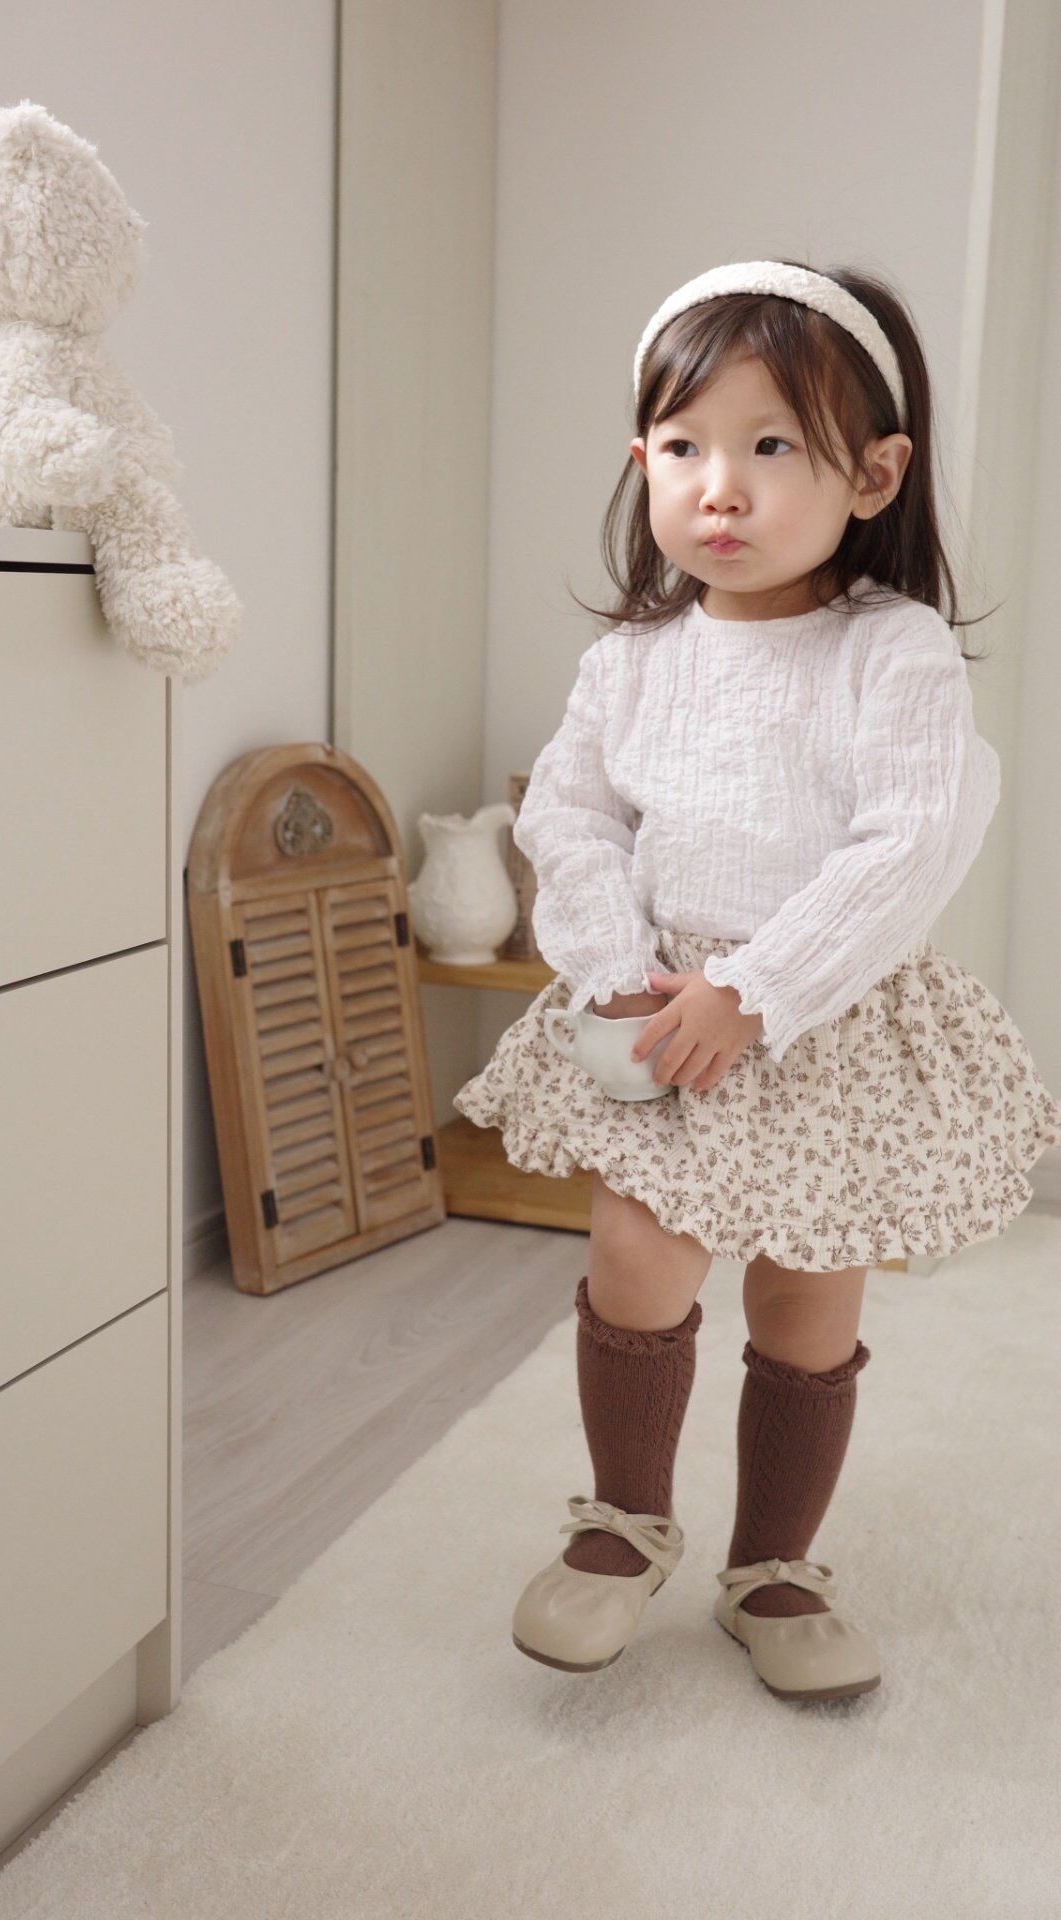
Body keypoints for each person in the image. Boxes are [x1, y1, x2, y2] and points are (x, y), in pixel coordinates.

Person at [453, 258, 1061, 1704]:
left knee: (807, 1303)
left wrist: (763, 989)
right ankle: (625, 1524)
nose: (719, 489)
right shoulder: (634, 660)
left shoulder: (892, 652)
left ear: (874, 474)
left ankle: (774, 1563)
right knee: (637, 1258)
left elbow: (913, 837)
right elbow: (572, 816)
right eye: (684, 448)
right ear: (643, 463)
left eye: (771, 445)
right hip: (662, 1009)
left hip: (821, 1017)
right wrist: (615, 968)